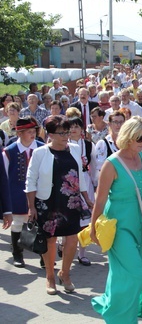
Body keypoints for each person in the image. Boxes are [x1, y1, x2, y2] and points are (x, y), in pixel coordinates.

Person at [91, 116, 142, 323]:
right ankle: (116, 315)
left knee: (123, 273)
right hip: (118, 226)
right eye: (140, 138)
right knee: (135, 274)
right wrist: (93, 227)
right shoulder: (111, 164)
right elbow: (100, 200)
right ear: (128, 136)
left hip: (138, 223)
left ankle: (118, 308)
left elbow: (141, 185)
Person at [26, 115, 94, 295]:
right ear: (49, 135)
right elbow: (31, 180)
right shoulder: (40, 153)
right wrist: (31, 206)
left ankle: (65, 273)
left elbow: (80, 175)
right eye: (61, 133)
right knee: (50, 240)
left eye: (67, 132)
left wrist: (86, 198)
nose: (66, 136)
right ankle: (50, 276)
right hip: (47, 201)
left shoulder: (74, 148)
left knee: (72, 239)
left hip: (71, 201)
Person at [4, 117, 44, 267]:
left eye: (34, 131)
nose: (32, 134)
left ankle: (43, 257)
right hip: (17, 193)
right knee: (18, 224)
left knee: (41, 224)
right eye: (28, 132)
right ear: (19, 133)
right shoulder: (9, 151)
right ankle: (17, 254)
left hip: (39, 192)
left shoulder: (42, 148)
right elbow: (5, 175)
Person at [68, 117, 97, 266]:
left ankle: (82, 253)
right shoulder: (63, 145)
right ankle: (63, 246)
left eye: (76, 127)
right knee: (67, 216)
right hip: (67, 183)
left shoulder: (88, 145)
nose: (73, 129)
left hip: (85, 181)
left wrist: (95, 183)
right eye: (71, 127)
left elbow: (94, 165)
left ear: (81, 130)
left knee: (85, 219)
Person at [95, 111, 125, 176]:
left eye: (121, 122)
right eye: (115, 122)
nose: (118, 125)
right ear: (110, 124)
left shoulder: (129, 143)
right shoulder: (103, 144)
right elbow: (100, 168)